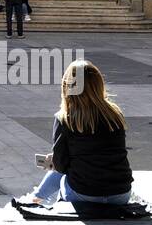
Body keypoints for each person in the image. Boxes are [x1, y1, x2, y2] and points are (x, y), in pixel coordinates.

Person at [19, 60, 134, 207]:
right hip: (121, 193)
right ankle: (37, 197)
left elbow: (61, 166)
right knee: (75, 165)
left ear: (67, 87)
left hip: (84, 194)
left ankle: (37, 198)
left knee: (63, 174)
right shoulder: (114, 115)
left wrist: (55, 160)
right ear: (99, 85)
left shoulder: (65, 119)